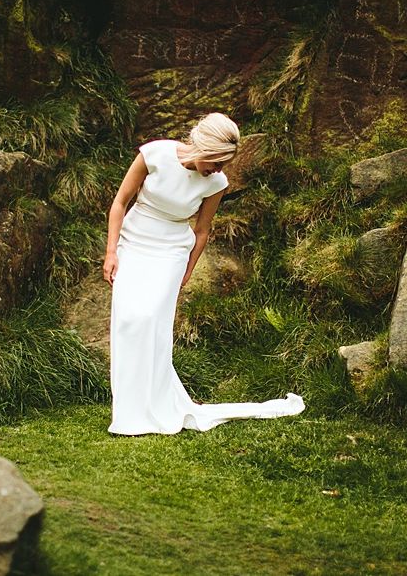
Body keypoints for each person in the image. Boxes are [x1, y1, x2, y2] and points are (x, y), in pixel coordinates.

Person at [103, 112, 305, 435]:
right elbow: (120, 202)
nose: (217, 170)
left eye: (223, 165)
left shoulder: (216, 183)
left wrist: (187, 269)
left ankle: (150, 409)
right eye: (215, 161)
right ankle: (127, 411)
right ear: (204, 147)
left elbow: (202, 230)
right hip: (133, 241)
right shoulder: (154, 153)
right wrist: (111, 251)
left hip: (171, 252)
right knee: (128, 320)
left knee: (151, 321)